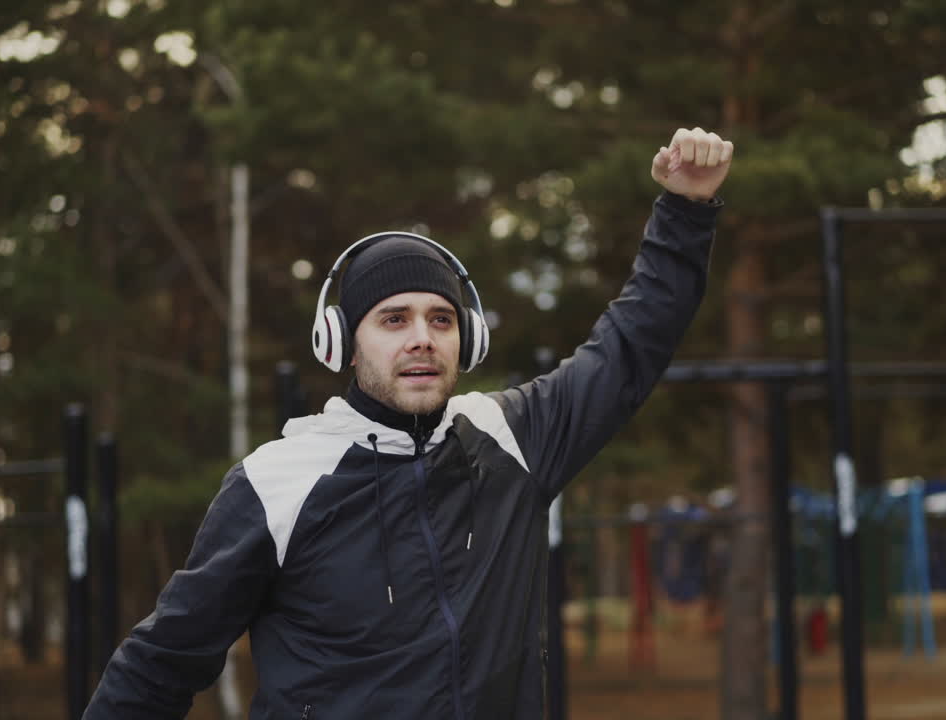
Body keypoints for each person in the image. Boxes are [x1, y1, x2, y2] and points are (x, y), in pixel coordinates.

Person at [83, 126, 733, 719]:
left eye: (440, 319)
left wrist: (686, 209)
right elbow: (159, 665)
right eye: (394, 319)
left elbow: (632, 345)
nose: (422, 337)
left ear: (468, 339)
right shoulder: (276, 484)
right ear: (340, 341)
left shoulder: (511, 438)